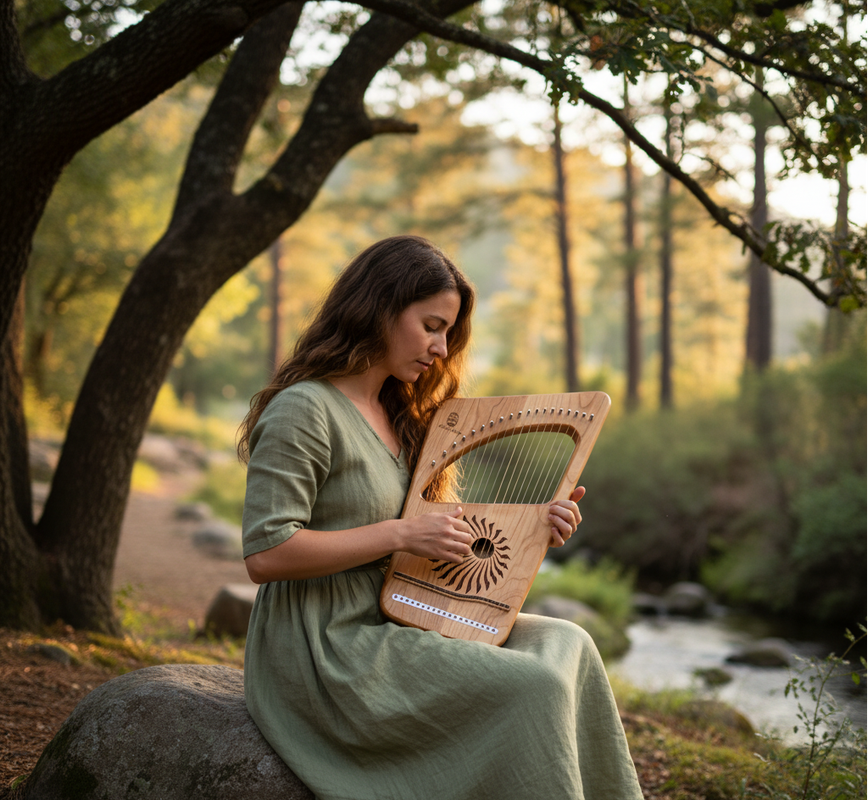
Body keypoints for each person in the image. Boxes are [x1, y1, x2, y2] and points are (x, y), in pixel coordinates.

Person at [238, 235, 643, 800]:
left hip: (407, 608)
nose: (442, 348)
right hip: (328, 642)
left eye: (448, 332)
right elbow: (265, 555)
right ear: (378, 308)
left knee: (569, 645)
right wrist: (401, 533)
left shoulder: (400, 414)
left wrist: (533, 531)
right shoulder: (304, 410)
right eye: (431, 326)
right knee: (533, 687)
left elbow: (443, 542)